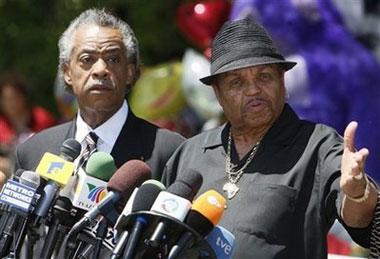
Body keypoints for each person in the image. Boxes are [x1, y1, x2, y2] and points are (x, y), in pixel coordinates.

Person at [162, 16, 378, 258]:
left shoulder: (318, 145)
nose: (253, 89)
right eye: (236, 82)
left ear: (282, 82)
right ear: (218, 94)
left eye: (264, 76)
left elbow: (365, 223)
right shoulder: (189, 152)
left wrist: (358, 193)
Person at [9, 8, 184, 181]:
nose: (101, 70)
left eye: (113, 59)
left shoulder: (171, 151)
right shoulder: (33, 152)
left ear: (130, 72)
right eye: (87, 59)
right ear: (67, 72)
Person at [0, 72, 56, 177]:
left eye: (15, 97)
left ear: (24, 97)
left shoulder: (42, 117)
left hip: (40, 169)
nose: (11, 103)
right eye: (6, 99)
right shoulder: (1, 123)